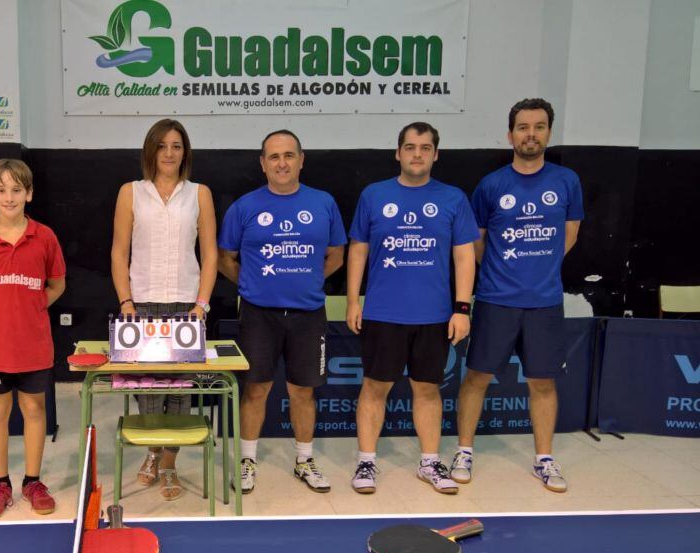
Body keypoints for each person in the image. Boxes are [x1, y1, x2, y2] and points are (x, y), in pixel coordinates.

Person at [451, 98, 584, 492]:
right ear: (510, 134)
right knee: (476, 377)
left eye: (538, 127)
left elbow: (570, 233)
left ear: (548, 132)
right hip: (495, 298)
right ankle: (464, 450)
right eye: (523, 127)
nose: (530, 134)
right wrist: (505, 269)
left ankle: (544, 459)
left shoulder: (566, 181)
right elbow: (477, 243)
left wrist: (537, 267)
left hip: (544, 301)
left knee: (542, 382)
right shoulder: (492, 185)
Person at [345, 122, 478, 495]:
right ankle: (366, 462)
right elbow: (358, 249)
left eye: (424, 147)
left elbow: (464, 256)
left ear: (435, 154)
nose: (416, 153)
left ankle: (429, 462)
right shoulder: (374, 195)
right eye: (409, 147)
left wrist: (462, 308)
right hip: (383, 313)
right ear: (398, 153)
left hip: (434, 315)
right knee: (374, 387)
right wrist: (354, 300)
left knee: (428, 390)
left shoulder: (453, 198)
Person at [218, 130, 347, 494]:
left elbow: (337, 253)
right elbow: (225, 258)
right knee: (256, 389)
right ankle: (247, 461)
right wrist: (252, 284)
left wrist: (307, 279)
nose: (282, 163)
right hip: (259, 314)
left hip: (308, 313)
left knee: (303, 391)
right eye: (274, 157)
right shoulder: (244, 206)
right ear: (262, 163)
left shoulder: (323, 203)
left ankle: (304, 460)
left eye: (289, 155)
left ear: (301, 160)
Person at [110, 119, 218, 500]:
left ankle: (169, 463)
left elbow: (209, 254)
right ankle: (153, 452)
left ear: (185, 151)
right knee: (148, 390)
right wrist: (126, 302)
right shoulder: (131, 192)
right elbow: (119, 251)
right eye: (162, 146)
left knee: (182, 392)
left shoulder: (199, 194)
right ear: (150, 151)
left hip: (186, 307)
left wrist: (201, 305)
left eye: (176, 146)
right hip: (142, 305)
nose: (169, 153)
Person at [0, 159, 66, 519]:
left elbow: (57, 285)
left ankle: (33, 481)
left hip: (33, 343)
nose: (10, 197)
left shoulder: (45, 237)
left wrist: (33, 306)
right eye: (2, 189)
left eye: (17, 189)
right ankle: (0, 483)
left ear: (29, 193)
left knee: (35, 410)